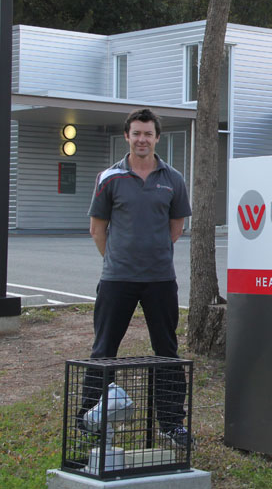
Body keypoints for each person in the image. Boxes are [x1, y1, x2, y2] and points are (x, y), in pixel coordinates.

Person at [82, 108, 193, 448]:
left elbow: (176, 227)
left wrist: (151, 254)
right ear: (127, 136)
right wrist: (118, 260)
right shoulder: (109, 178)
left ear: (157, 137)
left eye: (148, 134)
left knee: (166, 352)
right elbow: (97, 229)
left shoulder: (173, 178)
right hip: (117, 280)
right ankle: (89, 419)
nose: (142, 139)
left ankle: (172, 424)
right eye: (136, 133)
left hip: (160, 279)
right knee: (104, 350)